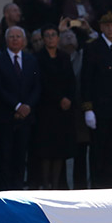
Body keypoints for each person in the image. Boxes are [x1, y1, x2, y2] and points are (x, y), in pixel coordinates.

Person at [81, 11, 112, 188]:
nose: (111, 28)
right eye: (107, 25)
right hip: (100, 108)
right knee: (98, 151)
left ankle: (109, 184)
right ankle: (98, 186)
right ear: (101, 27)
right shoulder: (93, 47)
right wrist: (88, 108)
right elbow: (86, 79)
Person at [0, 26, 41, 190]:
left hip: (26, 118)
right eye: (11, 36)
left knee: (21, 157)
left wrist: (27, 106)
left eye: (18, 36)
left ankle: (18, 190)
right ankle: (3, 192)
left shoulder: (31, 60)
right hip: (6, 117)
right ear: (6, 40)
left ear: (24, 40)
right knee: (4, 157)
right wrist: (17, 106)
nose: (15, 39)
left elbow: (37, 86)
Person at [34, 25, 75, 189]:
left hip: (63, 111)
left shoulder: (64, 57)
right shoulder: (38, 58)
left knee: (59, 149)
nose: (51, 38)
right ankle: (45, 184)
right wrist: (59, 98)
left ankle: (57, 184)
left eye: (53, 35)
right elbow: (43, 83)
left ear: (58, 38)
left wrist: (69, 98)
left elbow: (71, 80)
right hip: (46, 108)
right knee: (46, 150)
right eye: (47, 35)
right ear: (43, 39)